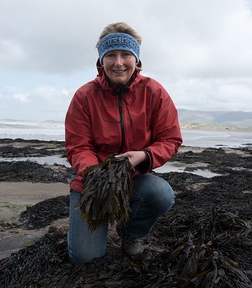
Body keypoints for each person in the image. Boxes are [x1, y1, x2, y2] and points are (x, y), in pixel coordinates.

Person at [65, 22, 182, 265]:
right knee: (85, 259)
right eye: (111, 55)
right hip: (92, 184)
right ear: (101, 61)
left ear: (136, 60)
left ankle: (131, 233)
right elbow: (78, 146)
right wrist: (95, 174)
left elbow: (169, 139)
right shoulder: (84, 96)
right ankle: (95, 225)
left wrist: (144, 156)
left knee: (161, 193)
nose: (119, 62)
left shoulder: (154, 92)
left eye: (126, 54)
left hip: (135, 177)